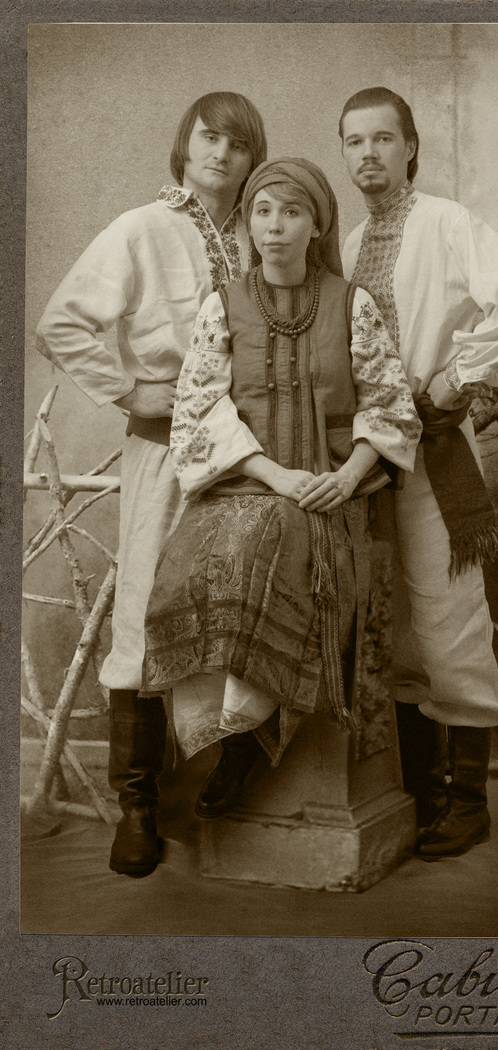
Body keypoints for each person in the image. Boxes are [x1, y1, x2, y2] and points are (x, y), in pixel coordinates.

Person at [141, 157, 422, 828]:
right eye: (263, 211)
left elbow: (388, 402)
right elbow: (199, 408)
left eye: (291, 212)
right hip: (244, 480)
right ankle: (230, 736)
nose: (274, 226)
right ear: (249, 223)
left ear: (316, 224)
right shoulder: (224, 304)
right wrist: (274, 475)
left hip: (332, 486)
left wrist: (346, 477)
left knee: (273, 542)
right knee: (190, 570)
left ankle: (248, 737)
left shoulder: (351, 303)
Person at [35, 92, 267, 877]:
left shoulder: (263, 231)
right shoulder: (141, 228)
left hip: (249, 460)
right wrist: (128, 390)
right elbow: (63, 322)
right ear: (184, 144)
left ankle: (238, 764)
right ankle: (136, 806)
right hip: (166, 453)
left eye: (238, 143)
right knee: (141, 615)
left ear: (252, 157)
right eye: (209, 137)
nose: (221, 154)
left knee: (243, 609)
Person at [339, 87, 498, 859]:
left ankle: (467, 802)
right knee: (390, 620)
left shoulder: (445, 221)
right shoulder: (349, 243)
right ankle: (421, 793)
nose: (368, 153)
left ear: (409, 148)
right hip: (370, 458)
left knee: (448, 617)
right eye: (354, 141)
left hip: (433, 448)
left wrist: (458, 375)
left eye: (382, 138)